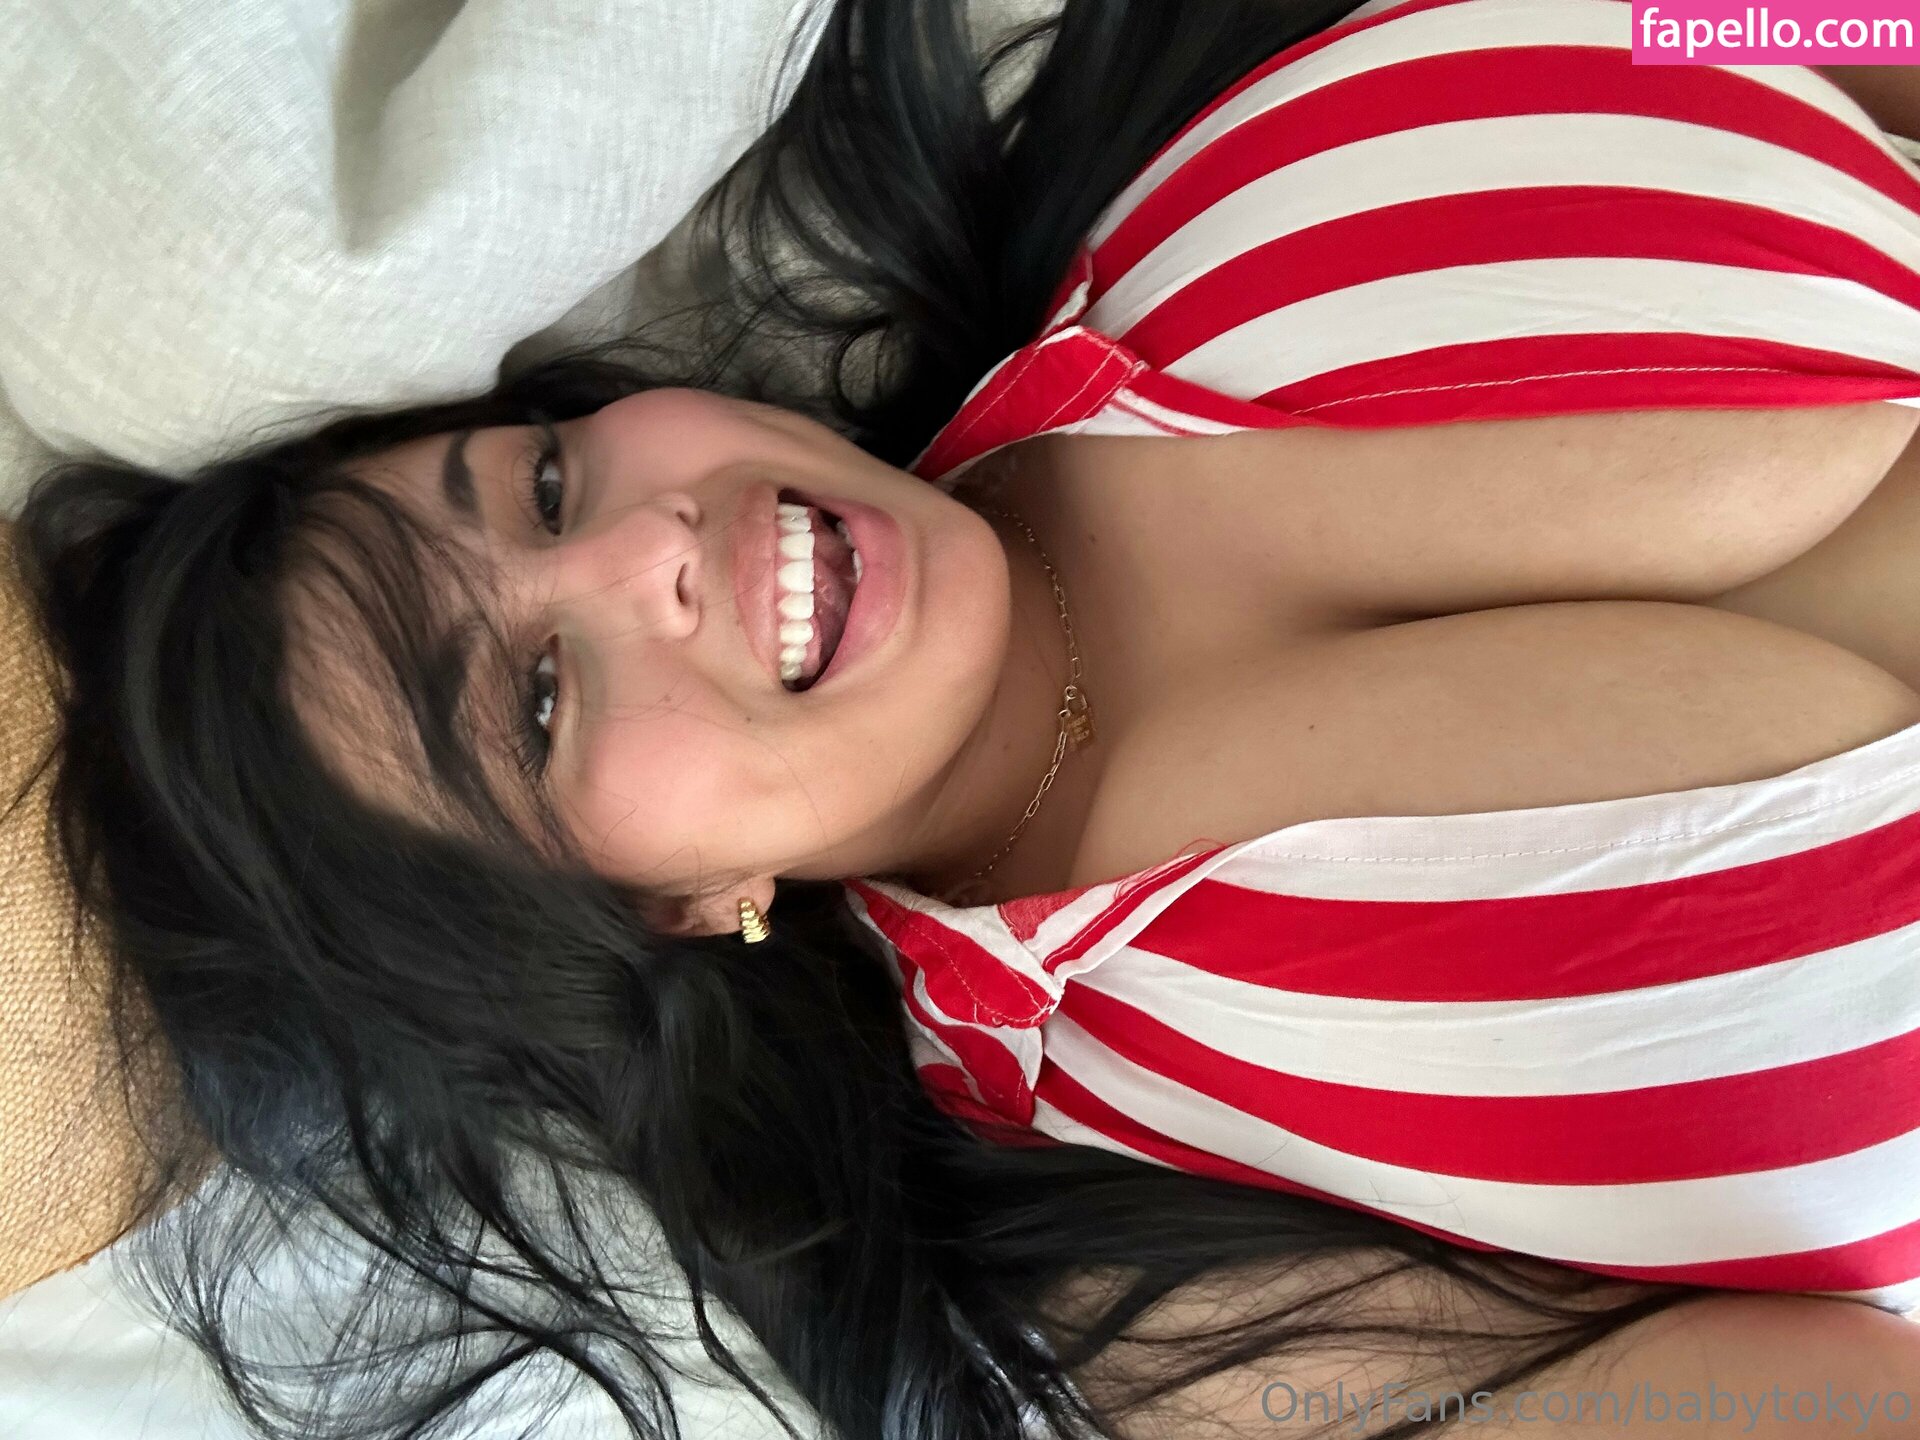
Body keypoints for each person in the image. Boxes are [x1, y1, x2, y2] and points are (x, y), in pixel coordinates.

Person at [17, 0, 1920, 1436]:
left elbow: (1755, 19)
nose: (644, 554)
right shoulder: (1151, 1257)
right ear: (664, 910)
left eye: (542, 484)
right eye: (531, 702)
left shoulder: (1177, 138)